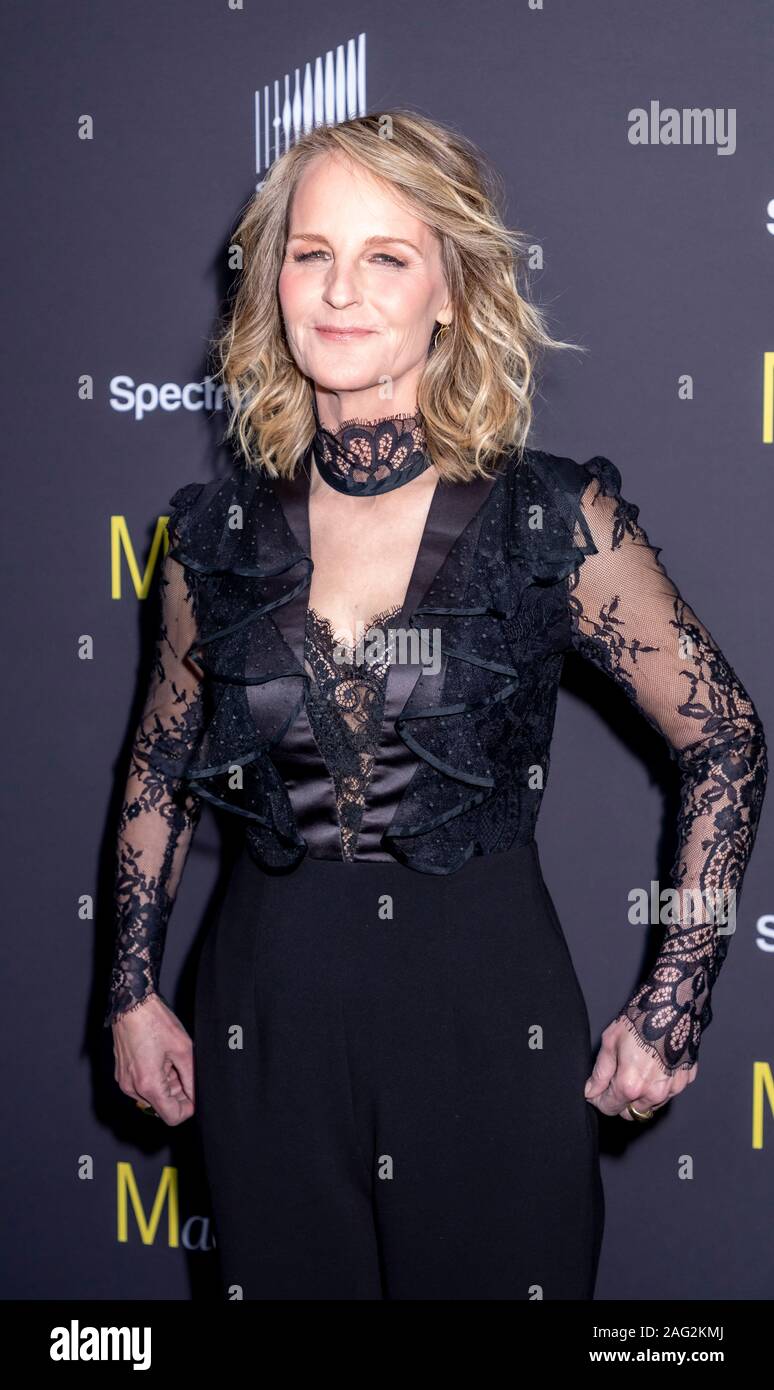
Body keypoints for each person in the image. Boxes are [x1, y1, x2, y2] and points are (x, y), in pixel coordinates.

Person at [105, 111, 767, 1300]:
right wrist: (133, 991)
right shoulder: (210, 540)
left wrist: (675, 1002)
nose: (342, 291)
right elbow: (157, 767)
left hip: (487, 1034)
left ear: (452, 289)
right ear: (273, 282)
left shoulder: (549, 519)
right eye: (312, 253)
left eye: (386, 257)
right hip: (268, 1037)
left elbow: (723, 737)